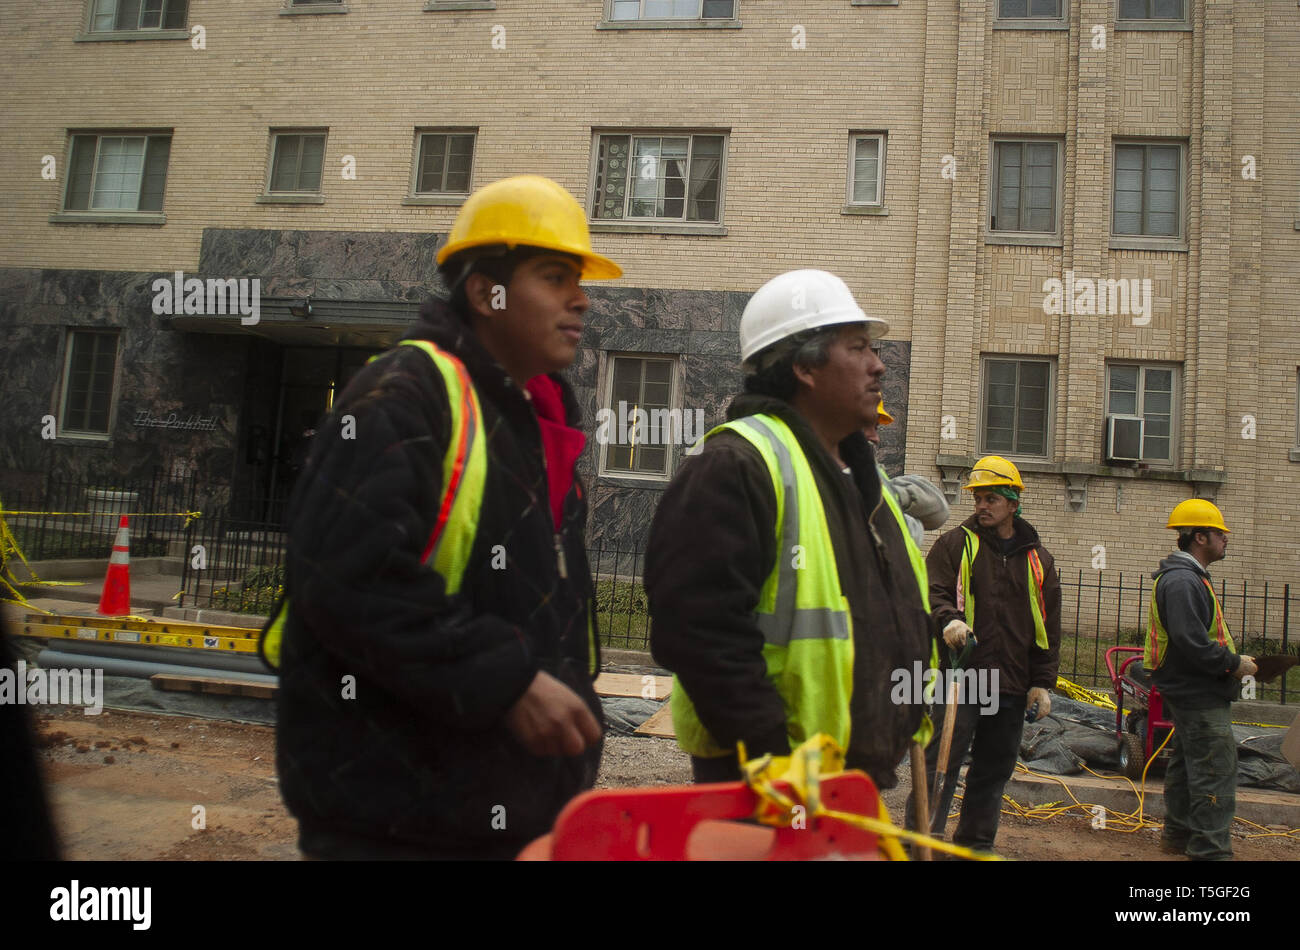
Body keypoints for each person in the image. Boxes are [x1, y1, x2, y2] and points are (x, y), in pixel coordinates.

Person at [274, 175, 619, 859]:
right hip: (397, 822)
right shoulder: (404, 397)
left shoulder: (528, 417)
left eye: (578, 280)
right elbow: (346, 581)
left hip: (494, 810)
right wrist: (508, 680)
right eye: (554, 276)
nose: (580, 299)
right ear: (483, 291)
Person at [646, 269, 936, 790]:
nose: (880, 365)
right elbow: (696, 630)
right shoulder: (736, 465)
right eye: (859, 348)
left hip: (850, 780)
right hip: (767, 786)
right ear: (805, 366)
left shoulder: (863, 480)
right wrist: (770, 754)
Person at [911, 455, 1061, 852]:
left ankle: (974, 845)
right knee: (940, 764)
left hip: (1011, 684)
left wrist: (1041, 685)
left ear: (1014, 503)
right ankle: (922, 845)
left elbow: (1047, 630)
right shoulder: (955, 544)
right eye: (978, 497)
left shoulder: (1038, 561)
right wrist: (948, 621)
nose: (981, 505)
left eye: (992, 498)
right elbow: (933, 592)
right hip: (964, 676)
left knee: (992, 771)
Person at [1147, 499, 1256, 861]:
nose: (1226, 539)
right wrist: (1234, 664)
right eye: (1219, 533)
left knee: (1187, 763)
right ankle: (1210, 849)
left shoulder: (1187, 578)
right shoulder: (1182, 581)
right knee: (1214, 768)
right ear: (1199, 537)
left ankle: (1178, 838)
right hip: (1198, 692)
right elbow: (1191, 642)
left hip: (1190, 689)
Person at [865, 400, 949, 547]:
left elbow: (938, 511)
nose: (875, 437)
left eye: (876, 427)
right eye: (866, 426)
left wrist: (889, 495)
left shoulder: (870, 472)